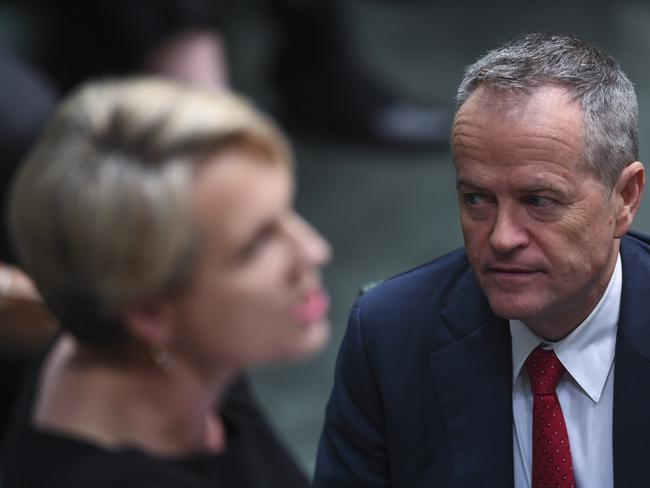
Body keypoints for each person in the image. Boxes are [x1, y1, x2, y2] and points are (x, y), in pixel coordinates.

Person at [314, 33, 648, 487]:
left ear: (625, 198)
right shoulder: (391, 339)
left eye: (539, 200)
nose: (502, 237)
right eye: (477, 199)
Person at [1, 77, 332, 487]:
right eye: (257, 244)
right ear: (149, 311)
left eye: (288, 212)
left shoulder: (181, 344)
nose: (315, 250)